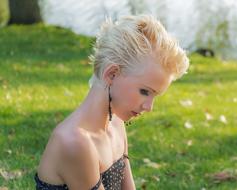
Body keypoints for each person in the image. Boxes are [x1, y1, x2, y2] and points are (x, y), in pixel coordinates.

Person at [35, 15, 189, 190]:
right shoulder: (74, 142)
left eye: (154, 96)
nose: (149, 107)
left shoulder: (116, 124)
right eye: (145, 92)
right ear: (112, 74)